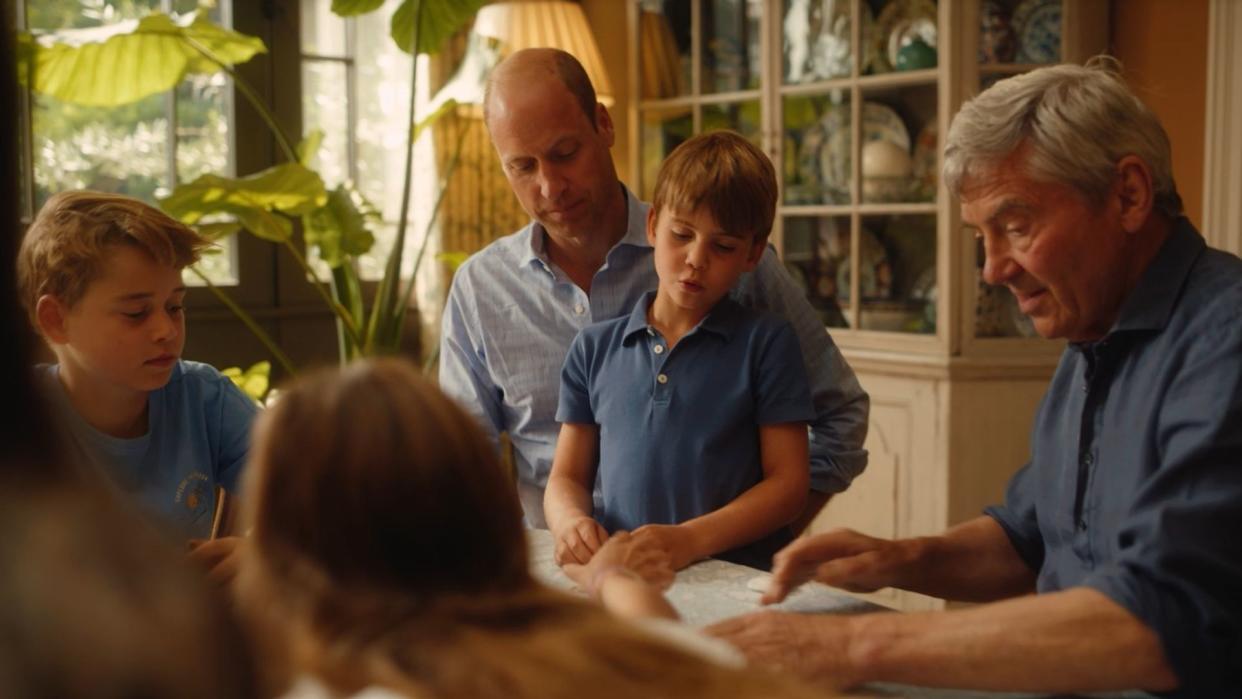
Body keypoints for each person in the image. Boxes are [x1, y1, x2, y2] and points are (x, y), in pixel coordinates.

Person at [707, 58, 1242, 696]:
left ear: (1128, 195)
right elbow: (1031, 541)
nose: (992, 270)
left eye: (1016, 227)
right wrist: (897, 558)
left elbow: (1164, 619)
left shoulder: (1224, 338)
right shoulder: (1090, 338)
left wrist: (850, 644)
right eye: (980, 237)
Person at [440, 47, 869, 531]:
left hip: (706, 572)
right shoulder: (481, 289)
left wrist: (760, 537)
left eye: (565, 154)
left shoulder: (729, 262)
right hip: (562, 572)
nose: (550, 186)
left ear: (603, 125)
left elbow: (842, 416)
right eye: (523, 167)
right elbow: (459, 465)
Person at [234, 358, 825, 699]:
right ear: (487, 514)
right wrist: (611, 580)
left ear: (290, 553)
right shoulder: (653, 663)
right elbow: (656, 635)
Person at [544, 131, 813, 572]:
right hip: (627, 579)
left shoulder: (767, 344)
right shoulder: (593, 349)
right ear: (652, 226)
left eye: (722, 246)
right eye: (681, 234)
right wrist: (570, 522)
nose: (695, 259)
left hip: (736, 585)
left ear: (753, 254)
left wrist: (689, 540)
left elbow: (788, 487)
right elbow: (567, 477)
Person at [15, 190, 259, 580]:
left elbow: (318, 501)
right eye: (136, 313)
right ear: (55, 319)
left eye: (174, 307)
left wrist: (264, 551)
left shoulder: (205, 399)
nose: (166, 330)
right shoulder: (22, 420)